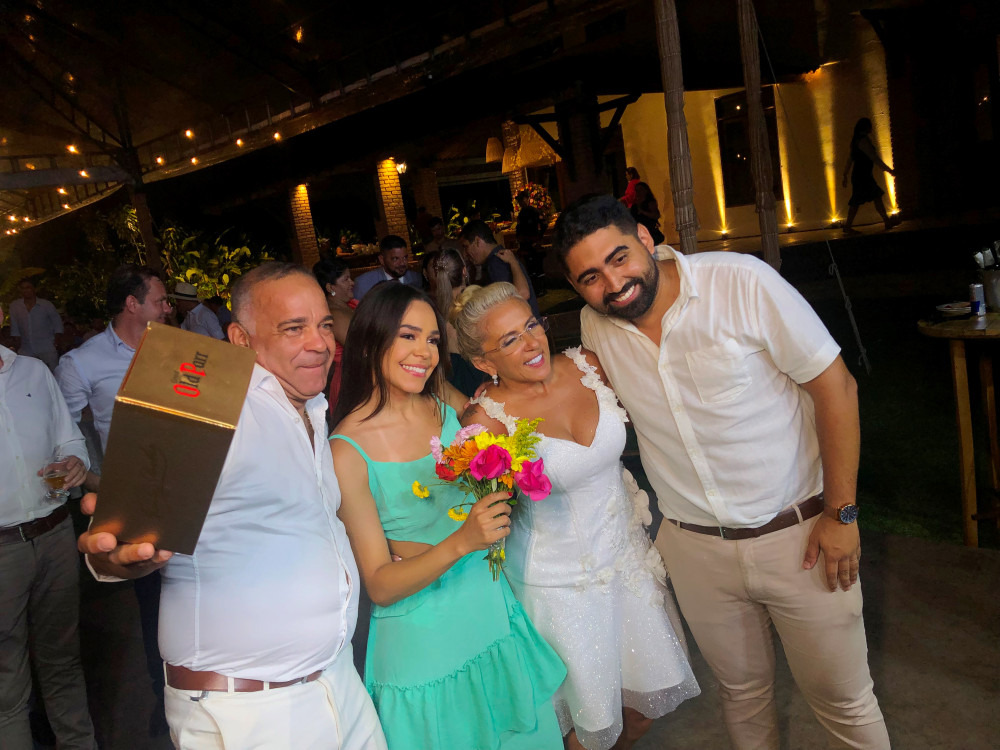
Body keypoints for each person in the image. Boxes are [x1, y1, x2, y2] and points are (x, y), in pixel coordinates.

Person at [552, 194, 891, 750]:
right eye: (591, 277)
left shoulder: (739, 282)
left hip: (801, 537)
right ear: (576, 286)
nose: (613, 284)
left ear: (644, 238)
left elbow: (836, 387)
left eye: (619, 258)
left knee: (844, 703)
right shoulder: (598, 328)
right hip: (696, 552)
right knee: (742, 696)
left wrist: (841, 513)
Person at [77, 263, 387, 750]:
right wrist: (121, 556)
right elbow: (118, 542)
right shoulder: (203, 407)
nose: (320, 343)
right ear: (241, 339)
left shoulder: (312, 405)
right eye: (294, 328)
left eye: (325, 324)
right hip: (247, 710)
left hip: (339, 683)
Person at [456, 283, 700, 750]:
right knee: (586, 728)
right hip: (559, 586)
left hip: (626, 565)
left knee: (640, 711)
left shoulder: (589, 365)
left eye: (531, 325)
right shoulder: (485, 423)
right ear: (485, 364)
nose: (531, 343)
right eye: (510, 340)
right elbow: (482, 514)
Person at [329, 282, 566, 750]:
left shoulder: (446, 408)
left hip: (490, 610)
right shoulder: (346, 450)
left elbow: (505, 418)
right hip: (426, 642)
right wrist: (463, 540)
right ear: (371, 341)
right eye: (408, 336)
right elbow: (379, 584)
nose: (425, 352)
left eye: (433, 339)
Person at [55, 264, 173, 735]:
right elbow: (63, 432)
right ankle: (165, 700)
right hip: (136, 497)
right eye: (160, 301)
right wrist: (94, 480)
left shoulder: (174, 347)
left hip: (188, 482)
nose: (168, 308)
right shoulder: (83, 362)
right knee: (154, 597)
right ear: (132, 304)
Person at [0, 302, 97, 750]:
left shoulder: (34, 372)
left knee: (63, 660)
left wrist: (74, 458)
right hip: (3, 553)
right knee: (7, 680)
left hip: (55, 534)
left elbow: (69, 435)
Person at [433, 248, 485, 397]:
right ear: (464, 271)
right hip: (479, 376)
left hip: (450, 383)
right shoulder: (476, 304)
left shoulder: (434, 312)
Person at [460, 220, 539, 317]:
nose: (465, 254)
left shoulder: (496, 263)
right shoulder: (499, 257)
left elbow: (521, 295)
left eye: (466, 247)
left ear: (477, 241)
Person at [313, 256, 358, 421]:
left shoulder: (350, 305)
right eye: (346, 279)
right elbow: (360, 348)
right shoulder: (334, 315)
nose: (352, 283)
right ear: (330, 287)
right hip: (352, 379)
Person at [842, 118, 900, 235]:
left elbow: (850, 159)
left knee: (866, 198)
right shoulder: (864, 141)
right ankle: (885, 221)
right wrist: (889, 170)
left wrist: (845, 174)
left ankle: (885, 221)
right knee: (868, 198)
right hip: (863, 176)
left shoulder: (856, 141)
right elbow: (874, 158)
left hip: (860, 175)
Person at [9, 279, 63, 370]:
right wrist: (16, 346)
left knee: (52, 373)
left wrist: (56, 343)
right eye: (22, 288)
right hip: (26, 349)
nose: (25, 290)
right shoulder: (15, 306)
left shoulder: (46, 305)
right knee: (27, 374)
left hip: (46, 347)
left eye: (28, 287)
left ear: (34, 289)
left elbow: (58, 325)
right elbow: (15, 328)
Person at [352, 235, 423, 301]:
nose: (402, 263)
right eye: (395, 259)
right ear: (382, 260)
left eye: (405, 258)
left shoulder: (417, 279)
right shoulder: (364, 284)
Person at [515, 190, 548, 297]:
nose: (521, 203)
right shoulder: (521, 214)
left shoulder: (533, 211)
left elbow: (544, 224)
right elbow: (519, 229)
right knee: (531, 268)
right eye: (520, 201)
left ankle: (542, 288)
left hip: (533, 243)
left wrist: (538, 237)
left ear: (527, 199)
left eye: (522, 200)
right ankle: (536, 289)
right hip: (526, 245)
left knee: (538, 267)